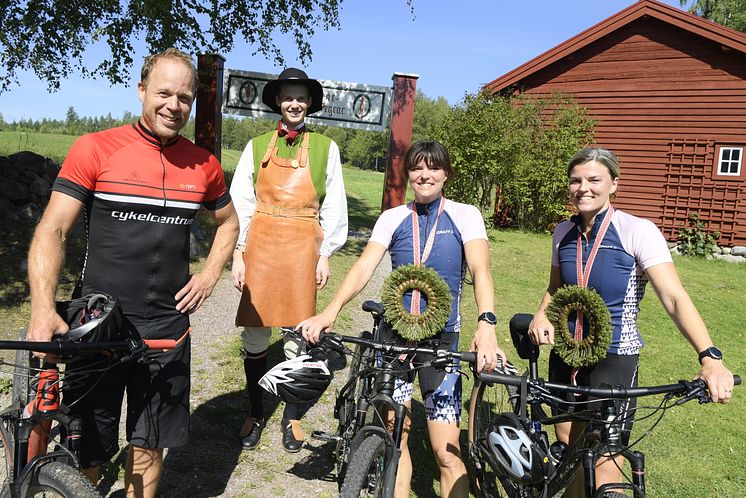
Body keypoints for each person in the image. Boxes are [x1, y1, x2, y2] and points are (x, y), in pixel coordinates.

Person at [26, 48, 239, 498]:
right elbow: (53, 230)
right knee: (89, 445)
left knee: (150, 444)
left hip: (166, 327)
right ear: (142, 90)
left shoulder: (204, 165)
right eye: (163, 93)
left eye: (184, 97)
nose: (173, 105)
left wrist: (208, 276)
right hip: (100, 322)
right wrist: (44, 308)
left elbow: (229, 224)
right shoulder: (96, 148)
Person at [298, 140, 505, 498]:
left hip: (442, 346)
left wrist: (486, 326)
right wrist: (330, 311)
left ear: (446, 174)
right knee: (396, 434)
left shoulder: (464, 215)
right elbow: (364, 266)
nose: (425, 175)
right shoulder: (393, 217)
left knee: (446, 451)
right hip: (394, 343)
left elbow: (481, 271)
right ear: (408, 174)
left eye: (433, 168)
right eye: (417, 168)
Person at [527, 146, 734, 494]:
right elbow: (555, 287)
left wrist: (710, 357)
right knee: (571, 454)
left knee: (606, 466)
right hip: (565, 356)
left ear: (614, 184)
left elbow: (674, 297)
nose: (583, 188)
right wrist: (541, 312)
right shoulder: (562, 232)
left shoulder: (637, 230)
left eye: (594, 179)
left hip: (614, 359)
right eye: (576, 180)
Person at [230, 67, 348, 452]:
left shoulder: (326, 148)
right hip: (260, 246)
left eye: (301, 97)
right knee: (256, 332)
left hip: (302, 247)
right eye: (288, 97)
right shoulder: (255, 144)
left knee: (300, 335)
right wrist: (238, 253)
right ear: (278, 102)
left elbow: (336, 205)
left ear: (310, 102)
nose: (294, 103)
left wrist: (325, 253)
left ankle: (292, 417)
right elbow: (241, 205)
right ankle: (254, 409)